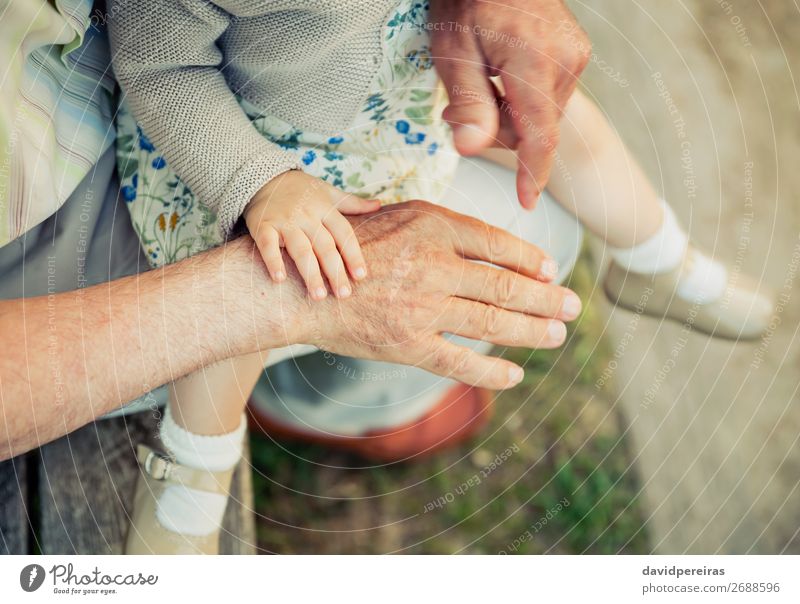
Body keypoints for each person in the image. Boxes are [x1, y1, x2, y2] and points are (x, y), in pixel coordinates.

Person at [108, 0, 771, 554]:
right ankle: (192, 477)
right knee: (255, 283)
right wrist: (258, 182)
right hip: (256, 158)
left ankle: (657, 261)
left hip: (400, 116)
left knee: (563, 122)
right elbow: (161, 66)